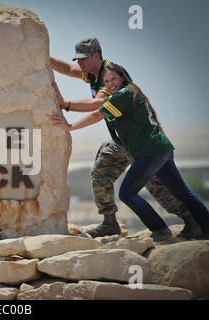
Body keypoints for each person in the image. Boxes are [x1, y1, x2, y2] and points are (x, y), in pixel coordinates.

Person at [50, 38, 200, 239]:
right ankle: (109, 223)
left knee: (158, 187)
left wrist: (66, 105)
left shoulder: (111, 74)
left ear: (96, 55)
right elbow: (68, 68)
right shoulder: (93, 74)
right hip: (122, 141)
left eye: (83, 59)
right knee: (100, 172)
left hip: (140, 142)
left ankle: (191, 222)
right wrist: (43, 55)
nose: (80, 64)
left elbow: (99, 105)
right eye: (78, 60)